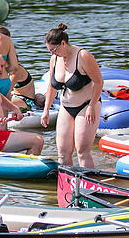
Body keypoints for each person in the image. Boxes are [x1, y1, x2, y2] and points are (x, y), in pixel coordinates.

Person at [41, 24, 102, 167]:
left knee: (82, 151)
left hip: (86, 105)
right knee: (63, 151)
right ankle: (67, 184)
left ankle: (88, 184)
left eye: (54, 50)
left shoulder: (83, 56)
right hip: (66, 107)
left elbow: (99, 82)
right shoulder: (55, 59)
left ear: (63, 43)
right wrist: (46, 110)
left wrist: (92, 106)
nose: (52, 54)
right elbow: (51, 86)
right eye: (49, 51)